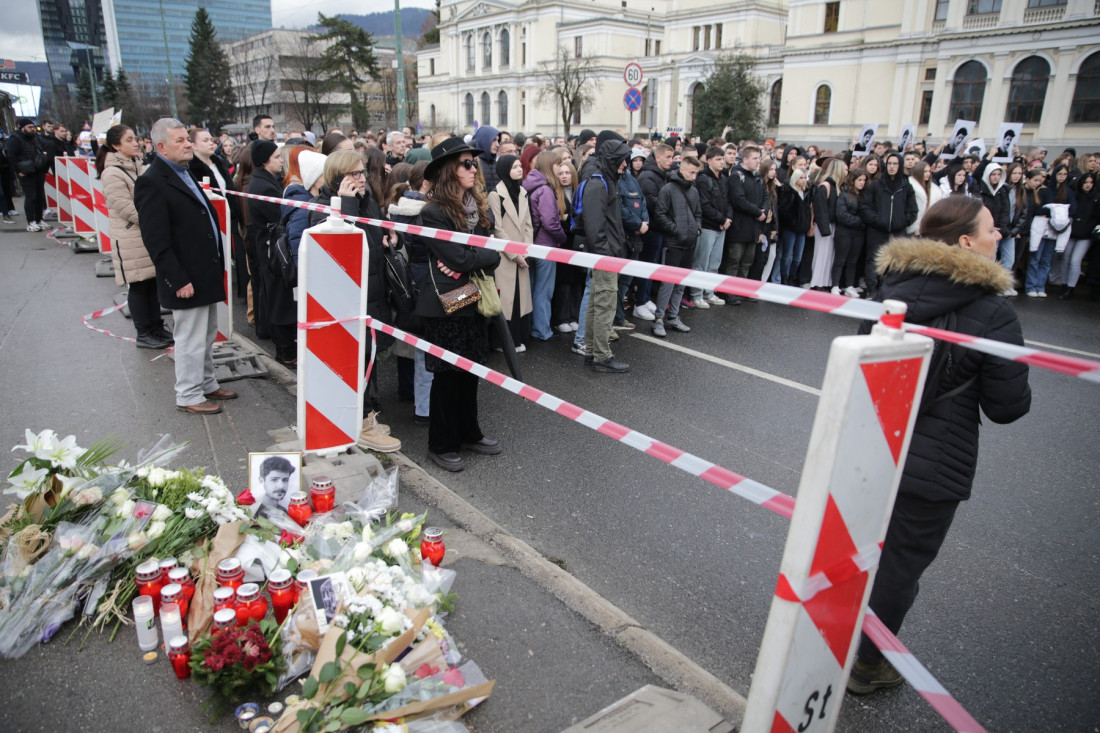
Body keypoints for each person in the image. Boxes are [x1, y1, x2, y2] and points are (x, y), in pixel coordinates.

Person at [849, 195, 1030, 695]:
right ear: (967, 242)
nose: (1000, 237)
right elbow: (1008, 406)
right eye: (992, 230)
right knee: (899, 566)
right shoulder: (992, 311)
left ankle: (833, 639)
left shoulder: (892, 286)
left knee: (859, 550)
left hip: (872, 446)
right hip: (933, 462)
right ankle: (868, 664)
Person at [134, 118, 237, 415]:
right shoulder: (152, 181)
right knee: (190, 339)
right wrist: (177, 279)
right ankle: (189, 394)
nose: (188, 143)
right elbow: (155, 240)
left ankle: (206, 383)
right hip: (185, 276)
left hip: (202, 271)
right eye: (180, 140)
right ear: (161, 146)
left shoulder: (184, 171)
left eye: (187, 139)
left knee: (206, 335)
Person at [414, 137, 503, 471]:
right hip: (445, 302)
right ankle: (441, 444)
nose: (473, 168)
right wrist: (477, 257)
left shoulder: (476, 206)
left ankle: (469, 432)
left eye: (474, 163)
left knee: (471, 370)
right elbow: (460, 257)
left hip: (473, 297)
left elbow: (488, 252)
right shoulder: (433, 212)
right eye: (466, 164)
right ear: (450, 170)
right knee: (448, 375)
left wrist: (476, 257)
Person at [309, 150, 402, 453]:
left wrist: (387, 236)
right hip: (347, 303)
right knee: (353, 362)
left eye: (362, 172)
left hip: (372, 294)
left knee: (368, 360)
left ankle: (363, 416)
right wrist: (346, 204)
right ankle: (360, 423)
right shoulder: (324, 206)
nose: (362, 179)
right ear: (337, 177)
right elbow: (338, 248)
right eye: (354, 174)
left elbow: (369, 240)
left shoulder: (368, 201)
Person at [96, 124, 172, 350]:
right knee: (138, 285)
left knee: (151, 282)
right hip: (130, 236)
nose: (135, 143)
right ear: (116, 146)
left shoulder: (137, 166)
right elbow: (124, 207)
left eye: (135, 139)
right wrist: (154, 219)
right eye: (129, 140)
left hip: (145, 234)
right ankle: (144, 331)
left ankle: (156, 327)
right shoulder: (112, 172)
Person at [575, 133, 632, 372]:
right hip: (605, 256)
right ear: (610, 159)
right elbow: (595, 227)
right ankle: (601, 355)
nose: (625, 164)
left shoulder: (606, 179)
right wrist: (607, 255)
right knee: (604, 305)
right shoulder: (599, 184)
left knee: (598, 304)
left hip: (607, 254)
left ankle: (592, 351)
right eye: (621, 159)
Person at [247, 140, 297, 366]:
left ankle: (286, 348)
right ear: (265, 161)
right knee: (279, 301)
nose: (280, 161)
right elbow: (280, 217)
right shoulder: (263, 187)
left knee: (280, 299)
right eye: (277, 157)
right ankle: (285, 351)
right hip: (271, 252)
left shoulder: (266, 181)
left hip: (270, 248)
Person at [650, 155, 702, 337]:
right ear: (682, 170)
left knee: (681, 283)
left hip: (689, 243)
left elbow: (698, 213)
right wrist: (676, 231)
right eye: (692, 173)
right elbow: (660, 214)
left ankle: (673, 316)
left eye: (696, 173)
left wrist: (696, 230)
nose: (694, 177)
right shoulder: (668, 189)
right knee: (668, 284)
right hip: (673, 243)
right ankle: (658, 319)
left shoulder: (694, 192)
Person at [487, 154, 534, 351]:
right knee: (506, 301)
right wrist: (515, 254)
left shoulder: (523, 191)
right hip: (504, 256)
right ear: (505, 169)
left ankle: (518, 338)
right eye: (514, 167)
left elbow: (529, 225)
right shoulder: (495, 194)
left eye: (519, 166)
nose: (519, 169)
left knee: (520, 300)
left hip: (521, 253)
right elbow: (496, 228)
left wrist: (526, 249)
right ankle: (502, 343)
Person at [523, 150, 569, 341]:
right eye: (557, 165)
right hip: (545, 245)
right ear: (550, 166)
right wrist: (562, 237)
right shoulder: (545, 189)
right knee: (544, 291)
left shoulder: (528, 184)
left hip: (530, 243)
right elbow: (550, 222)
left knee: (533, 288)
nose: (560, 168)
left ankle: (532, 327)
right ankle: (542, 330)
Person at [860, 151, 917, 296]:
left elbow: (913, 210)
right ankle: (872, 291)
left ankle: (886, 291)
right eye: (889, 163)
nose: (892, 167)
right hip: (877, 230)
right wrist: (877, 220)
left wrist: (903, 222)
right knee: (873, 260)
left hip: (897, 231)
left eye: (895, 164)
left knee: (894, 263)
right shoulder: (876, 186)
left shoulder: (906, 187)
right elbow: (865, 207)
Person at [634, 144, 674, 317]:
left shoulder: (662, 175)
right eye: (668, 157)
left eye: (672, 157)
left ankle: (645, 297)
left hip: (658, 229)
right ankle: (639, 303)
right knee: (646, 265)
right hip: (650, 229)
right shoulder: (648, 177)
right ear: (657, 157)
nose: (671, 161)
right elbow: (653, 204)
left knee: (653, 266)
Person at [1026, 164, 1076, 297]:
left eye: (1064, 174)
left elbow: (1073, 210)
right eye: (1059, 174)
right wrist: (1054, 211)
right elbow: (1037, 209)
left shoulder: (1068, 191)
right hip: (1041, 227)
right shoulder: (1045, 189)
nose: (1062, 177)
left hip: (1056, 229)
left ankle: (1041, 286)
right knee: (1035, 257)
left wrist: (1056, 212)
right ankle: (1031, 285)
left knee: (1046, 260)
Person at [725, 145, 768, 299]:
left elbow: (766, 197)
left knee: (747, 262)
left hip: (754, 228)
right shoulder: (737, 175)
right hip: (739, 227)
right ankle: (730, 292)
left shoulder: (758, 177)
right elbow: (738, 200)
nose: (758, 162)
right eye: (755, 158)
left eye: (759, 158)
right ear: (745, 159)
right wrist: (757, 212)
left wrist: (764, 211)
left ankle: (741, 290)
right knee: (734, 260)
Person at [691, 146, 730, 307]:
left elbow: (728, 202)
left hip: (721, 227)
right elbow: (704, 206)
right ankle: (697, 294)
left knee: (714, 263)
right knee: (701, 262)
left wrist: (727, 219)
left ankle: (709, 292)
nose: (722, 162)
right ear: (709, 161)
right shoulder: (703, 179)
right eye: (718, 159)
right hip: (708, 227)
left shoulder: (723, 179)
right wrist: (722, 219)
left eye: (722, 159)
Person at [1056, 171, 1096, 300]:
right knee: (1066, 258)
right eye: (1086, 182)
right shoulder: (1075, 196)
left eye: (1091, 182)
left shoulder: (1097, 197)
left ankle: (1070, 287)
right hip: (1072, 232)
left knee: (1075, 260)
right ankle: (1064, 284)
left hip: (1086, 234)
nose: (1088, 185)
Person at [6, 118, 49, 231]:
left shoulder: (35, 138)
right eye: (29, 127)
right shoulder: (15, 139)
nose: (32, 129)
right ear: (22, 127)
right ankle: (31, 221)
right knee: (31, 197)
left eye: (33, 127)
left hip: (38, 170)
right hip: (26, 171)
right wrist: (18, 171)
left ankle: (39, 219)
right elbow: (11, 157)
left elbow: (41, 150)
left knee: (40, 196)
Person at [811, 158, 846, 290]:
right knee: (821, 255)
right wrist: (825, 229)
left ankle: (824, 282)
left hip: (832, 225)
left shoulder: (836, 186)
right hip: (824, 226)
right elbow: (820, 210)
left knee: (829, 256)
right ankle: (817, 282)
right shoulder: (825, 186)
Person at [832, 167, 868, 297]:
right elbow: (841, 215)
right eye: (860, 180)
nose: (862, 183)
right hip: (844, 232)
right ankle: (835, 285)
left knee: (853, 260)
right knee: (840, 259)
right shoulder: (844, 194)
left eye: (864, 180)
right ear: (853, 180)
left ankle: (849, 285)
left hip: (858, 233)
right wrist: (859, 221)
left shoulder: (865, 196)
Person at [777, 168, 812, 285]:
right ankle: (784, 277)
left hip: (801, 229)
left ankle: (792, 276)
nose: (803, 180)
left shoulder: (806, 192)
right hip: (790, 229)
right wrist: (793, 222)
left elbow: (808, 211)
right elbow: (784, 210)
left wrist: (806, 224)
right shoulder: (789, 192)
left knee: (798, 257)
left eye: (804, 177)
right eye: (800, 177)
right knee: (787, 256)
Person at [473, 125, 501, 192]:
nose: (497, 144)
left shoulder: (497, 164)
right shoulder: (474, 164)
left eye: (498, 140)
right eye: (494, 140)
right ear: (484, 141)